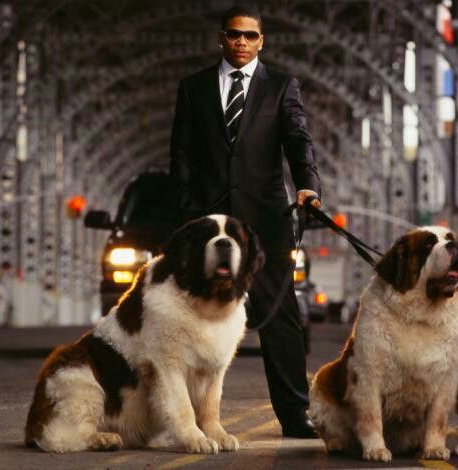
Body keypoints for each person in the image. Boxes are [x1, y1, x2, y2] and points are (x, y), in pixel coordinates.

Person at [169, 4, 321, 438]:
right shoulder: (193, 88)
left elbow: (298, 139)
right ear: (221, 37)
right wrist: (184, 209)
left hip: (266, 221)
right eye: (234, 34)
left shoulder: (280, 87)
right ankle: (189, 415)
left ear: (261, 41)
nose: (241, 42)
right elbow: (180, 154)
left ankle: (295, 413)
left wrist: (308, 185)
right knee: (191, 316)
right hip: (207, 224)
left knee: (280, 314)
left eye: (250, 36)